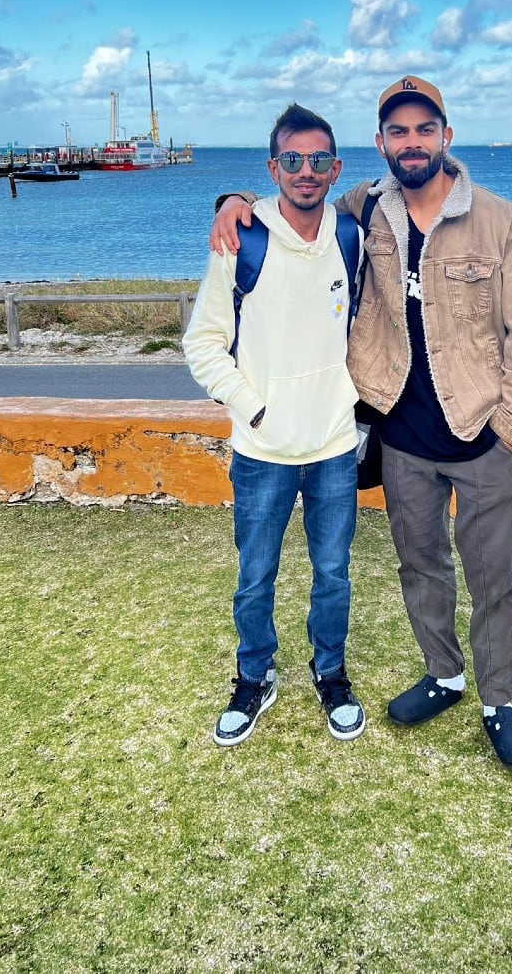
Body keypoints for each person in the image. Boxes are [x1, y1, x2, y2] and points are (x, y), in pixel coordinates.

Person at [211, 76, 512, 768]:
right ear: (380, 144)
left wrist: (511, 426)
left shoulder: (500, 219)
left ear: (446, 137)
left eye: (424, 129)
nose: (411, 142)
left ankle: (497, 699)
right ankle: (444, 674)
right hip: (398, 435)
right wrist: (232, 201)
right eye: (397, 132)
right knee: (420, 563)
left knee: (493, 575)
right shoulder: (364, 208)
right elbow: (292, 202)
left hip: (480, 431)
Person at [184, 103, 366, 747]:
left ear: (336, 167)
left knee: (333, 573)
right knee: (255, 574)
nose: (306, 171)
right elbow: (203, 343)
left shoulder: (351, 236)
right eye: (292, 160)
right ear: (273, 168)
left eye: (319, 160)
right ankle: (253, 676)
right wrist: (251, 404)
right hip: (262, 448)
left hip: (334, 446)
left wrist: (347, 402)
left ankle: (331, 672)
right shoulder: (241, 237)